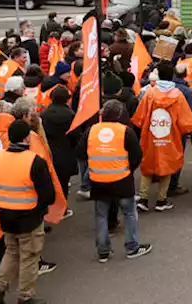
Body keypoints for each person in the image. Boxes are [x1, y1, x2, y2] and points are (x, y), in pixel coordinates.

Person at [0, 120, 55, 304]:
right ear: (27, 138)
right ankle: (26, 296)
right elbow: (48, 195)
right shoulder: (34, 161)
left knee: (11, 252)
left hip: (4, 214)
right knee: (29, 256)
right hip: (29, 216)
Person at [82, 100, 151, 262]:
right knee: (129, 214)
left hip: (98, 180)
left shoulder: (91, 131)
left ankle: (103, 251)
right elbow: (137, 156)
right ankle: (132, 247)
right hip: (122, 180)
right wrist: (128, 169)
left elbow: (80, 152)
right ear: (120, 115)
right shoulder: (125, 131)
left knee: (101, 216)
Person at [131, 63, 192, 212]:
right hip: (170, 135)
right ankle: (162, 200)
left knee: (148, 164)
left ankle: (143, 198)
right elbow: (185, 120)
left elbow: (139, 117)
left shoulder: (150, 93)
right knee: (167, 164)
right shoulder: (178, 95)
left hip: (150, 134)